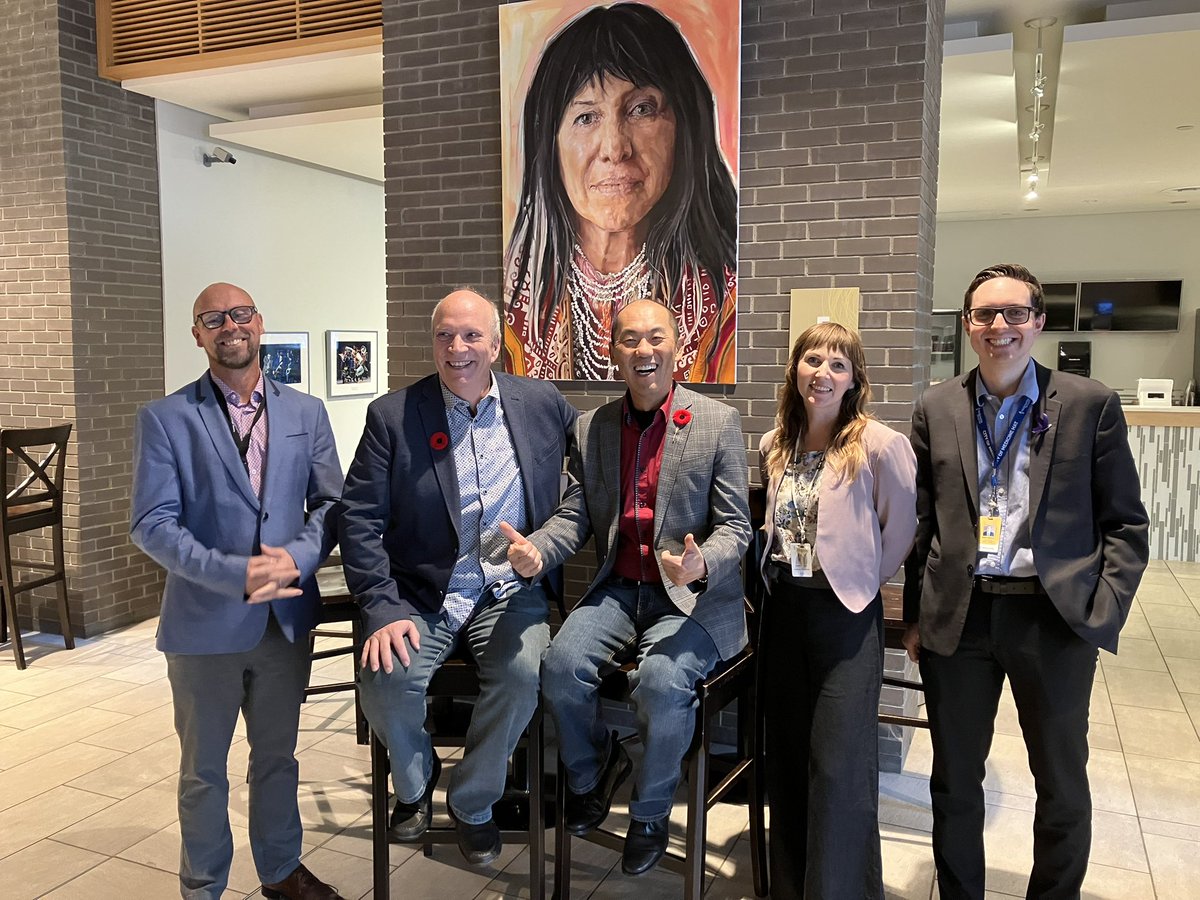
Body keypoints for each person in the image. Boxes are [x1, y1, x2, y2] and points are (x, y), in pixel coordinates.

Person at [903, 264, 1149, 899]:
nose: (999, 327)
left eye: (1014, 313)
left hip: (1053, 616)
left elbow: (1125, 522)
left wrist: (1103, 610)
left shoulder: (1088, 402)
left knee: (1061, 782)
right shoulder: (935, 405)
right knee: (955, 780)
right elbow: (922, 522)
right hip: (961, 616)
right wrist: (914, 617)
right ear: (967, 325)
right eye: (986, 315)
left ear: (1038, 322)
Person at [504, 299, 751, 876]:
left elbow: (737, 526)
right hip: (619, 589)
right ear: (612, 351)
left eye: (655, 338)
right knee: (560, 666)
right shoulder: (593, 428)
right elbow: (576, 516)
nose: (644, 350)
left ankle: (650, 811)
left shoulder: (716, 422)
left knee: (662, 684)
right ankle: (592, 774)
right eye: (630, 340)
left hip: (690, 598)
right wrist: (539, 549)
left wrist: (702, 563)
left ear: (677, 348)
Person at [340, 289, 577, 867]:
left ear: (496, 345)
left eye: (471, 335)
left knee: (524, 678)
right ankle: (416, 783)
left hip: (506, 591)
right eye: (445, 335)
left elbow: (581, 493)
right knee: (385, 684)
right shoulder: (393, 417)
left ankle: (473, 803)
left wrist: (543, 548)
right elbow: (358, 518)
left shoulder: (543, 403)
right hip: (418, 594)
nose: (457, 347)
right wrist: (379, 605)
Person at [130, 283, 345, 900]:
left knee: (277, 760)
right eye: (214, 318)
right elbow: (152, 523)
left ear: (260, 323)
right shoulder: (166, 418)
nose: (231, 326)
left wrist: (298, 558)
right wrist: (235, 572)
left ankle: (281, 872)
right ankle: (203, 887)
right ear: (197, 334)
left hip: (285, 623)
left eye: (241, 314)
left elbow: (331, 505)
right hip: (203, 628)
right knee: (204, 773)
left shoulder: (306, 413)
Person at [757, 323, 917, 899]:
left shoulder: (879, 445)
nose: (822, 373)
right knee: (791, 761)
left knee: (838, 768)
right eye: (812, 360)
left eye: (838, 364)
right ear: (795, 368)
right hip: (785, 614)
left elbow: (901, 529)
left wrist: (863, 579)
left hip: (845, 615)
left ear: (854, 380)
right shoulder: (776, 444)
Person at [502, 2, 737, 383]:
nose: (614, 147)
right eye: (586, 117)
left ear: (684, 127)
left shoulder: (726, 305)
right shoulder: (513, 314)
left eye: (641, 109)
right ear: (550, 144)